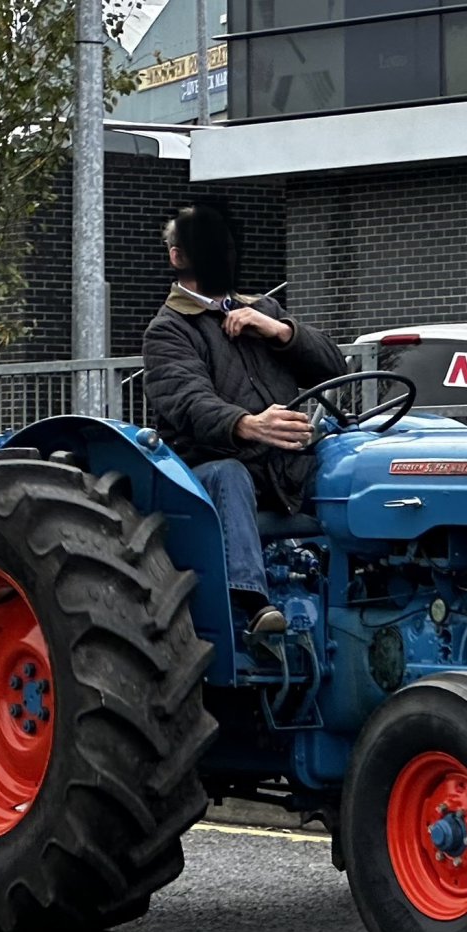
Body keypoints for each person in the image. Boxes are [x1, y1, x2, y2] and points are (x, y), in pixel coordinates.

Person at [142, 205, 347, 636]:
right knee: (230, 474)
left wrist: (281, 331)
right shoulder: (169, 330)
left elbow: (333, 366)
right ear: (179, 257)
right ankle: (252, 606)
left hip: (285, 467)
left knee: (350, 463)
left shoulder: (264, 309)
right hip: (209, 473)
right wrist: (248, 424)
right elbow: (188, 402)